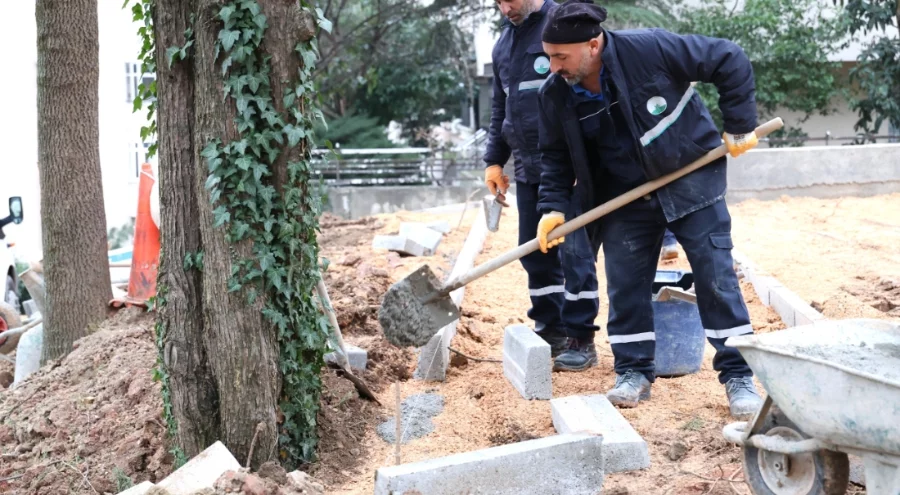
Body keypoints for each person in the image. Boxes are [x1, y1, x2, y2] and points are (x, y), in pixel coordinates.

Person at [533, 0, 763, 418]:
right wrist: (551, 207)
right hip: (623, 197)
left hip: (690, 180)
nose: (553, 67)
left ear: (593, 44)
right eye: (548, 57)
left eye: (560, 57)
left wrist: (740, 122)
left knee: (715, 278)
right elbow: (553, 157)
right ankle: (633, 371)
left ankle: (738, 376)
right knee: (624, 285)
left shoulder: (650, 50)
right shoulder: (556, 94)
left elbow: (728, 58)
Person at [484, 0, 602, 371]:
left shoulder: (560, 28)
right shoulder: (504, 44)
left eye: (510, 0)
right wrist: (494, 160)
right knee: (535, 252)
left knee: (574, 253)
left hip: (571, 165)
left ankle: (580, 337)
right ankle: (550, 329)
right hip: (531, 168)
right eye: (498, 2)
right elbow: (500, 108)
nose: (505, 8)